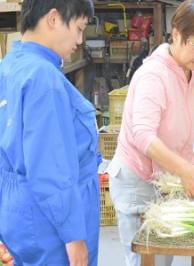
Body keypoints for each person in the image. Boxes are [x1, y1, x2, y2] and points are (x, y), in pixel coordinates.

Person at [106, 0, 194, 265]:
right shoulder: (153, 76)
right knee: (146, 259)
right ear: (176, 34)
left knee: (164, 258)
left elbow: (192, 104)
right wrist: (186, 170)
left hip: (166, 176)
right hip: (139, 180)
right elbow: (143, 136)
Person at [0, 0, 100, 265]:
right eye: (78, 28)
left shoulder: (10, 65)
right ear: (53, 18)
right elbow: (50, 168)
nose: (80, 40)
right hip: (51, 222)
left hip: (20, 212)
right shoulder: (43, 77)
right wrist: (74, 236)